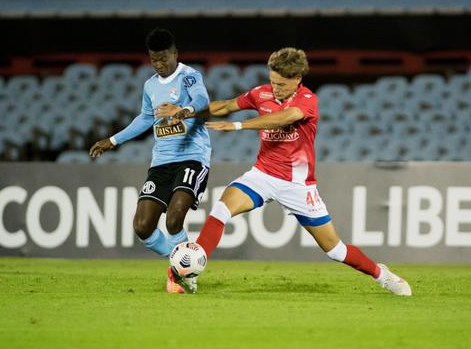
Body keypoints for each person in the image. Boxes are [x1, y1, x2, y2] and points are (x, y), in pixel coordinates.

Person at [157, 47, 412, 296]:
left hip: (297, 185)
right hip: (262, 175)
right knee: (221, 209)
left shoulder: (308, 100)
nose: (275, 89)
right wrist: (186, 112)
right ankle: (187, 272)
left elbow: (284, 118)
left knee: (335, 250)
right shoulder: (262, 94)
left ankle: (382, 275)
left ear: (297, 79)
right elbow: (225, 105)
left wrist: (237, 126)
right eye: (272, 82)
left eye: (281, 84)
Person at [89, 28, 211, 294]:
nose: (159, 64)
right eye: (154, 60)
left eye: (164, 58)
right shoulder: (150, 85)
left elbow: (203, 101)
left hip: (192, 157)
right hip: (161, 162)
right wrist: (113, 140)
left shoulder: (189, 77)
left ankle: (183, 275)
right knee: (142, 226)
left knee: (174, 218)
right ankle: (180, 263)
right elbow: (145, 118)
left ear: (175, 54)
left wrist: (183, 111)